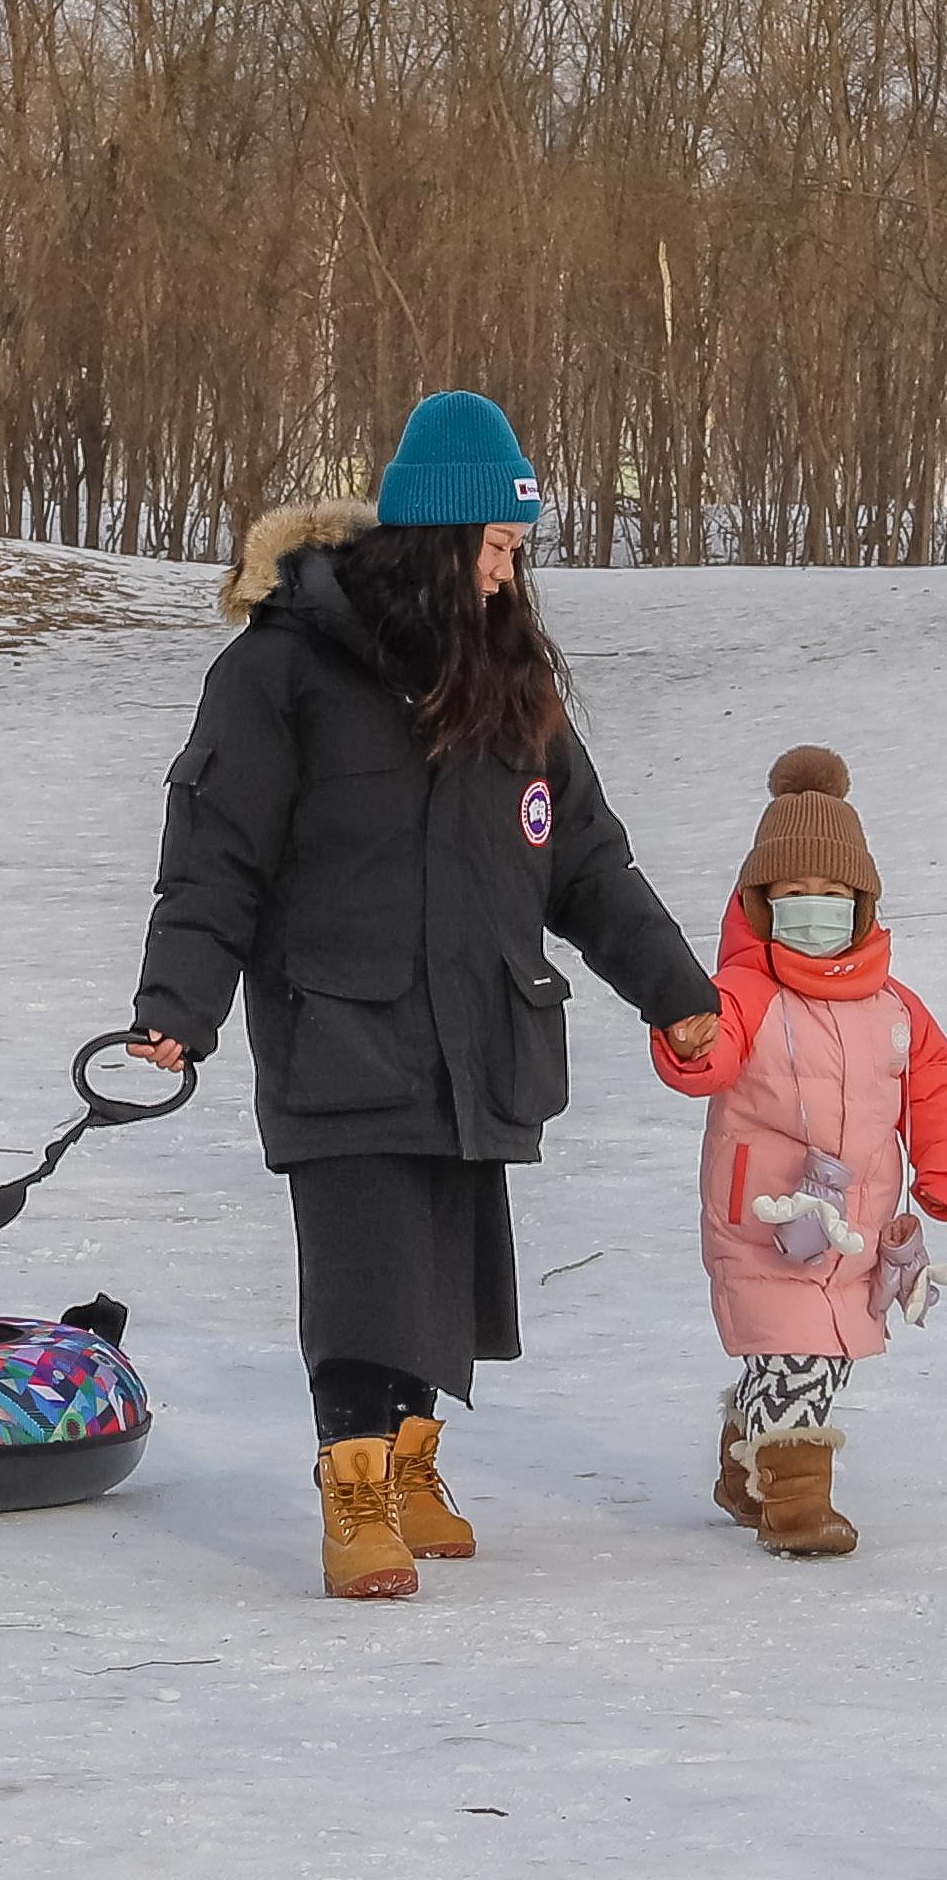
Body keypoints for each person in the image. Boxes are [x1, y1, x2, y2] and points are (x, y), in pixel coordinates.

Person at [128, 391, 722, 1601]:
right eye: (497, 548)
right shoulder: (283, 669)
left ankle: (407, 1462)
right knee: (361, 1256)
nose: (511, 574)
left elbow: (586, 860)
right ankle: (349, 1487)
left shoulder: (513, 685)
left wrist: (675, 992)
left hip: (477, 1024)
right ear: (440, 539)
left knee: (441, 1261)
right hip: (338, 1015)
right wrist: (179, 1006)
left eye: (518, 551)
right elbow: (216, 850)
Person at [657, 746, 947, 1559]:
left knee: (827, 1352)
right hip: (767, 1221)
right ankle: (796, 1498)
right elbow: (709, 1055)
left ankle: (745, 1460)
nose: (814, 908)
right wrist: (689, 1041)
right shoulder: (745, 994)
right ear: (762, 904)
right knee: (797, 1350)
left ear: (862, 905)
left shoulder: (896, 1007)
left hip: (857, 1228)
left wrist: (942, 1171)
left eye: (832, 895)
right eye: (794, 894)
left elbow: (933, 1085)